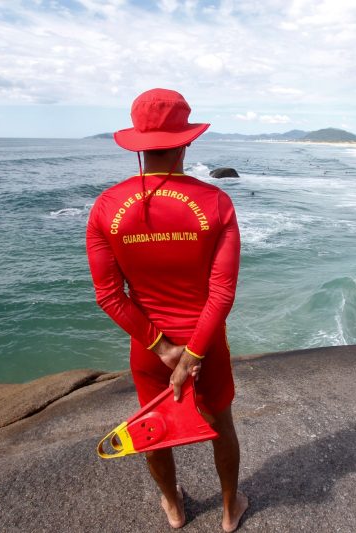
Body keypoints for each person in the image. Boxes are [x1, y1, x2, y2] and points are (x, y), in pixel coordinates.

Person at [86, 88, 248, 531]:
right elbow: (222, 293)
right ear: (187, 140)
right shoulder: (217, 203)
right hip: (206, 345)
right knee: (221, 426)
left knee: (153, 429)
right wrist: (193, 354)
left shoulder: (105, 208)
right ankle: (230, 512)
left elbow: (109, 296)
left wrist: (163, 349)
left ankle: (173, 508)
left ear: (137, 142)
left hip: (149, 347)